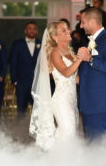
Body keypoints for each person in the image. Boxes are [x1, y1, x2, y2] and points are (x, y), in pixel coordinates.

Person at [30, 21, 81, 150]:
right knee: (67, 132)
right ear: (55, 37)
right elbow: (66, 73)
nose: (68, 31)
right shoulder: (54, 53)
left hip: (71, 98)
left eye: (67, 29)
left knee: (70, 132)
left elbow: (74, 79)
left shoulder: (70, 52)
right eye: (63, 30)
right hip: (61, 100)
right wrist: (81, 59)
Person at [77, 7, 106, 140]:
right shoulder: (91, 41)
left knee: (99, 146)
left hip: (100, 102)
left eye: (83, 22)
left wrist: (89, 58)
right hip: (89, 102)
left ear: (93, 21)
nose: (80, 25)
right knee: (90, 144)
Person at [10, 22, 41, 117]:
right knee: (21, 111)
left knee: (39, 110)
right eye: (30, 28)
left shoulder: (41, 44)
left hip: (38, 83)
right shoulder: (17, 44)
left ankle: (38, 130)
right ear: (25, 30)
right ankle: (19, 130)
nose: (32, 30)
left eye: (34, 29)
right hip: (22, 83)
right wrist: (15, 81)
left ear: (37, 31)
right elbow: (13, 63)